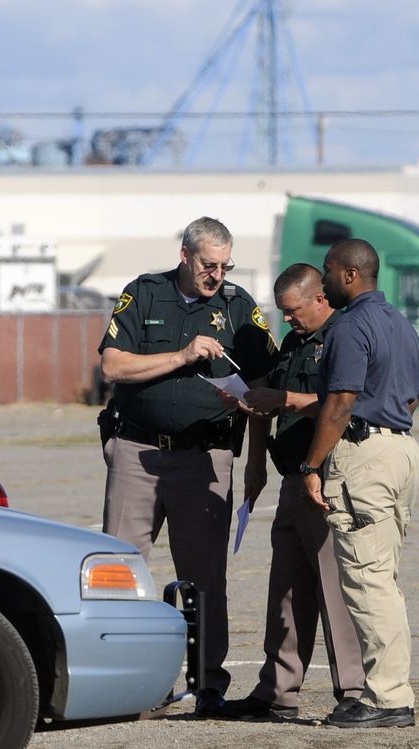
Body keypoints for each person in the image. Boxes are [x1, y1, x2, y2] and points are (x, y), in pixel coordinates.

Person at [98, 216, 276, 717]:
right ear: (184, 255)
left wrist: (256, 458)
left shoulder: (239, 307)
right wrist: (181, 355)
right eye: (207, 265)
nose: (216, 275)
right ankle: (126, 682)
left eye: (225, 266)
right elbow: (113, 366)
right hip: (137, 452)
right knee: (121, 570)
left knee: (204, 578)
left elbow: (266, 385)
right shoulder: (145, 294)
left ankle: (207, 684)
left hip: (206, 455)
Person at [220, 263, 366, 721]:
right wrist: (256, 453)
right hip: (291, 477)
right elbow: (275, 400)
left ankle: (354, 692)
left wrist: (287, 402)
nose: (287, 320)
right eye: (282, 312)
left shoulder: (343, 337)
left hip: (326, 477)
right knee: (285, 589)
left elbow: (346, 403)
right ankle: (278, 690)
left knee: (333, 589)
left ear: (320, 298)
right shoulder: (294, 343)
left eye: (293, 310)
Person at [299, 238, 419, 729]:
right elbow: (410, 399)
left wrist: (312, 465)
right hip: (401, 450)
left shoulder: (351, 327)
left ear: (350, 274)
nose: (324, 281)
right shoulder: (400, 323)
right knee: (382, 577)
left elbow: (341, 401)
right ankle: (386, 689)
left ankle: (388, 698)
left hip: (366, 455)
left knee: (368, 581)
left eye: (328, 271)